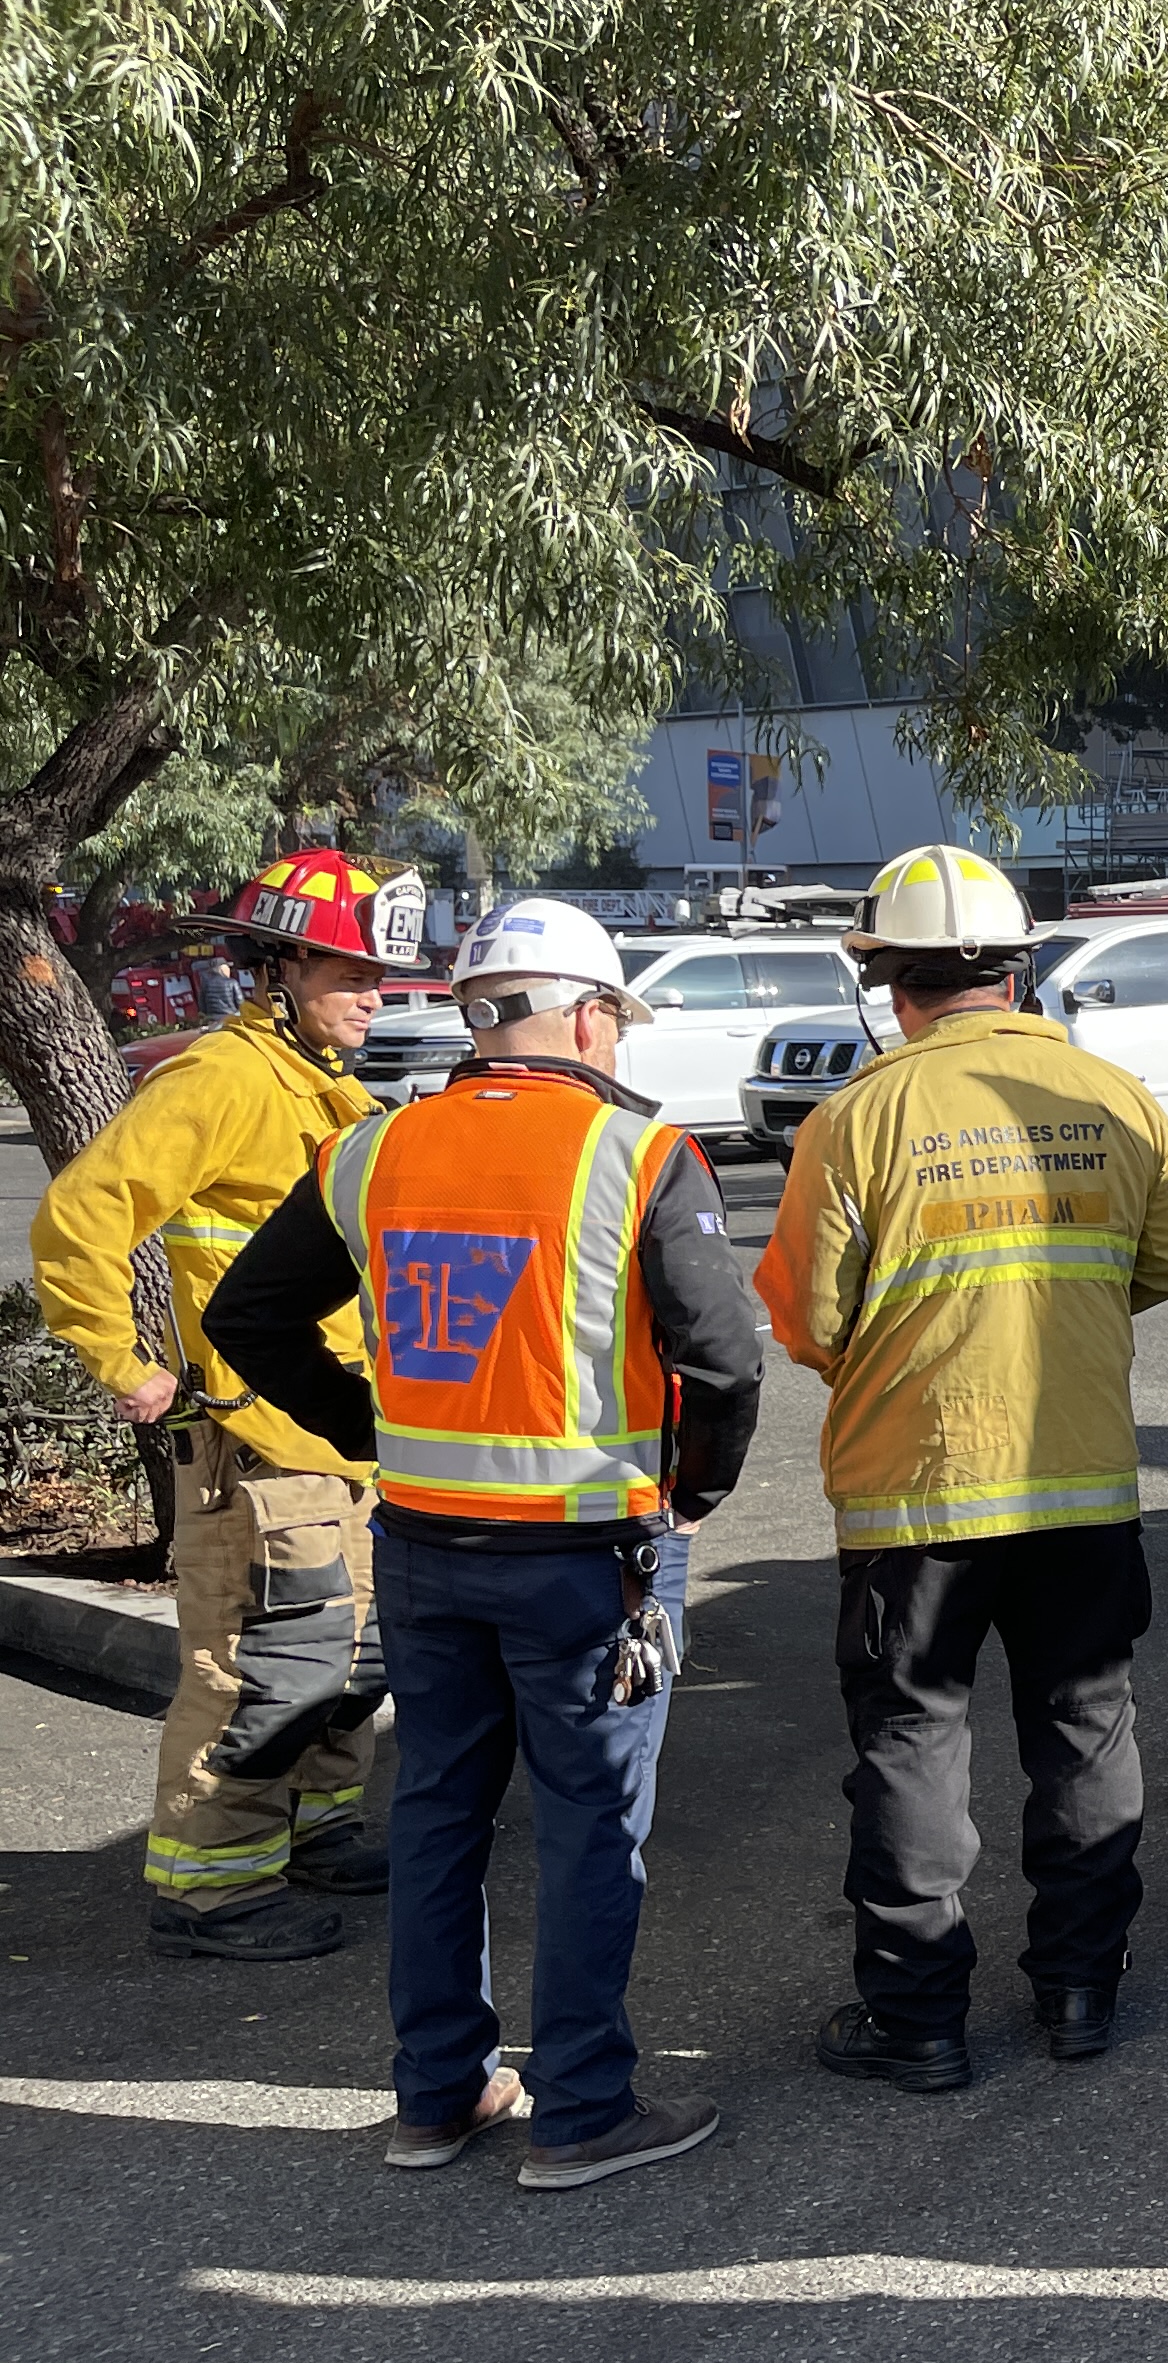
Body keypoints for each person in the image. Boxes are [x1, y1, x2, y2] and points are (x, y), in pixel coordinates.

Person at [208, 895, 763, 2187]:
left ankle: (438, 2096)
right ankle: (580, 2113)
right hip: (586, 1551)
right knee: (587, 1825)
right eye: (615, 1019)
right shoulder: (638, 1155)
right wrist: (697, 1490)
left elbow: (251, 1316)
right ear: (581, 1014)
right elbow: (722, 1360)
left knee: (440, 1816)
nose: (617, 1043)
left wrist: (373, 1426)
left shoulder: (373, 1149)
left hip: (422, 1544)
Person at [755, 845, 1168, 2093]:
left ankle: (920, 2019)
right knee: (1086, 1725)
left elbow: (805, 1317)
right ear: (1018, 971)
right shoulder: (1116, 1097)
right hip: (1084, 1482)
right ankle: (1079, 1989)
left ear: (888, 980)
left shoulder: (853, 1119)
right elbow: (1156, 1267)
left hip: (916, 1492)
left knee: (910, 1741)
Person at [33, 851, 420, 1959]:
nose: (376, 993)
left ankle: (316, 1834)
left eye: (377, 975)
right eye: (353, 971)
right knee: (262, 1663)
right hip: (255, 1440)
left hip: (337, 1437)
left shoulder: (325, 1089)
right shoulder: (224, 1080)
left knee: (350, 1657)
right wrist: (125, 1364)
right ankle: (214, 1891)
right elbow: (79, 1217)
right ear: (286, 963)